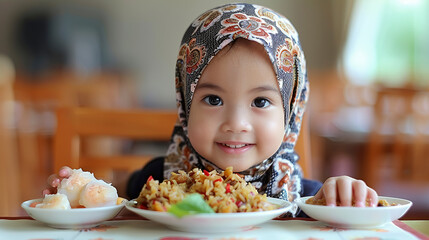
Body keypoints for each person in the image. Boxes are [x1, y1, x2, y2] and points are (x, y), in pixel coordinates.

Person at [44, 3, 378, 216]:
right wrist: (78, 195)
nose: (236, 123)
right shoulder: (154, 182)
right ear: (185, 105)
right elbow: (110, 206)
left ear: (290, 112)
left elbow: (348, 213)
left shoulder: (307, 199)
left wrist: (346, 195)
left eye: (261, 102)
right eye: (213, 100)